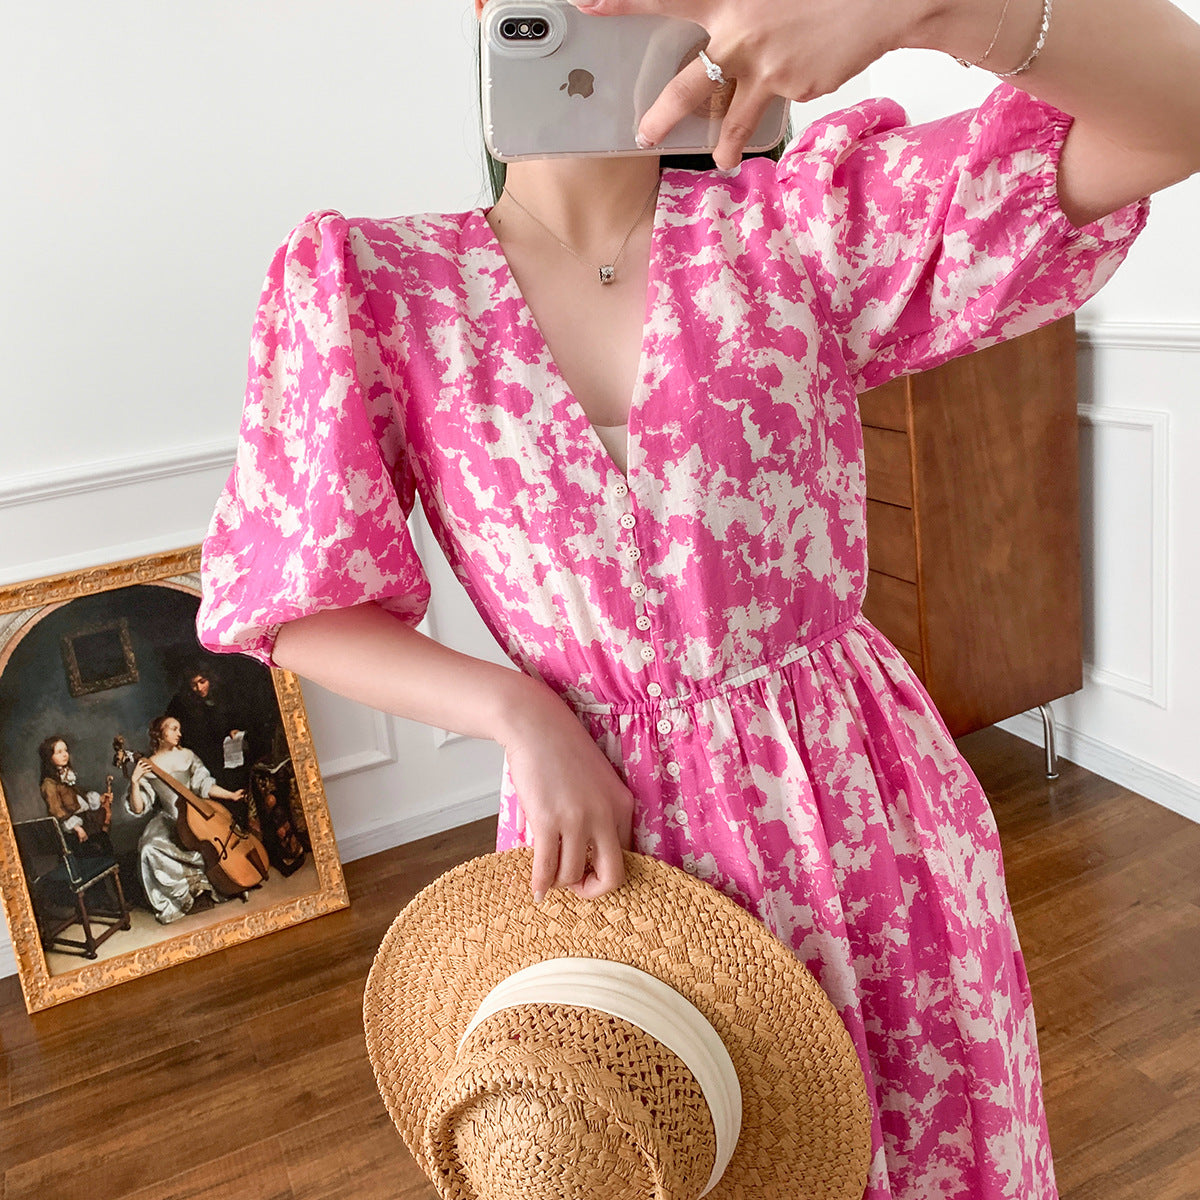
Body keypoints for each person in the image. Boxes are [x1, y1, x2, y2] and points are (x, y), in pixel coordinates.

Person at [195, 0, 1200, 1195]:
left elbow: (1175, 114)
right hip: (606, 837)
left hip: (859, 806)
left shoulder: (800, 229)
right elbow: (295, 600)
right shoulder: (376, 288)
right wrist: (522, 715)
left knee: (924, 1148)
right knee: (658, 1149)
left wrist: (921, 9)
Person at [124, 715, 246, 924]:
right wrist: (135, 782)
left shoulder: (188, 755)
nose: (179, 733)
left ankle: (221, 884)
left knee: (213, 836)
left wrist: (231, 795)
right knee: (148, 848)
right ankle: (187, 896)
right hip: (169, 818)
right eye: (173, 729)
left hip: (198, 813)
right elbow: (139, 807)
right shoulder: (149, 765)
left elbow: (204, 785)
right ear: (159, 734)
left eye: (179, 728)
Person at [166, 665, 251, 815]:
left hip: (227, 753)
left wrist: (233, 729)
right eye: (193, 684)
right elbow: (170, 727)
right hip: (202, 755)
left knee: (237, 791)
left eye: (202, 682)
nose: (198, 688)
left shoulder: (223, 695)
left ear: (210, 679)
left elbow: (234, 719)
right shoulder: (180, 702)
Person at [37, 735, 114, 856]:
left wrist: (100, 799)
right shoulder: (49, 784)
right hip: (72, 833)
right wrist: (77, 828)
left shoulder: (67, 777)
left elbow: (79, 799)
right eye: (59, 752)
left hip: (86, 824)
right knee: (97, 850)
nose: (65, 754)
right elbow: (57, 811)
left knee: (104, 842)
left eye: (65, 750)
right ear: (49, 757)